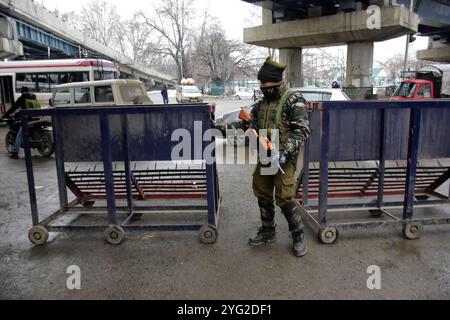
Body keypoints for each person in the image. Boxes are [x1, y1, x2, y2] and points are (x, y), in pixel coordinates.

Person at [246, 57, 311, 257]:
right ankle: (268, 231)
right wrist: (247, 126)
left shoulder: (293, 99)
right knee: (262, 192)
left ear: (276, 82)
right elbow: (251, 122)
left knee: (284, 197)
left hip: (284, 159)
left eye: (264, 83)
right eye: (261, 83)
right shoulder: (262, 103)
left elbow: (302, 130)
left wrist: (284, 153)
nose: (262, 87)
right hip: (266, 156)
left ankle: (298, 235)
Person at [1, 87, 41, 159]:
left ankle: (15, 153)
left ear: (21, 92)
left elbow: (13, 108)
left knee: (20, 135)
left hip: (27, 120)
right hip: (37, 118)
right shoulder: (33, 97)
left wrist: (4, 115)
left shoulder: (22, 98)